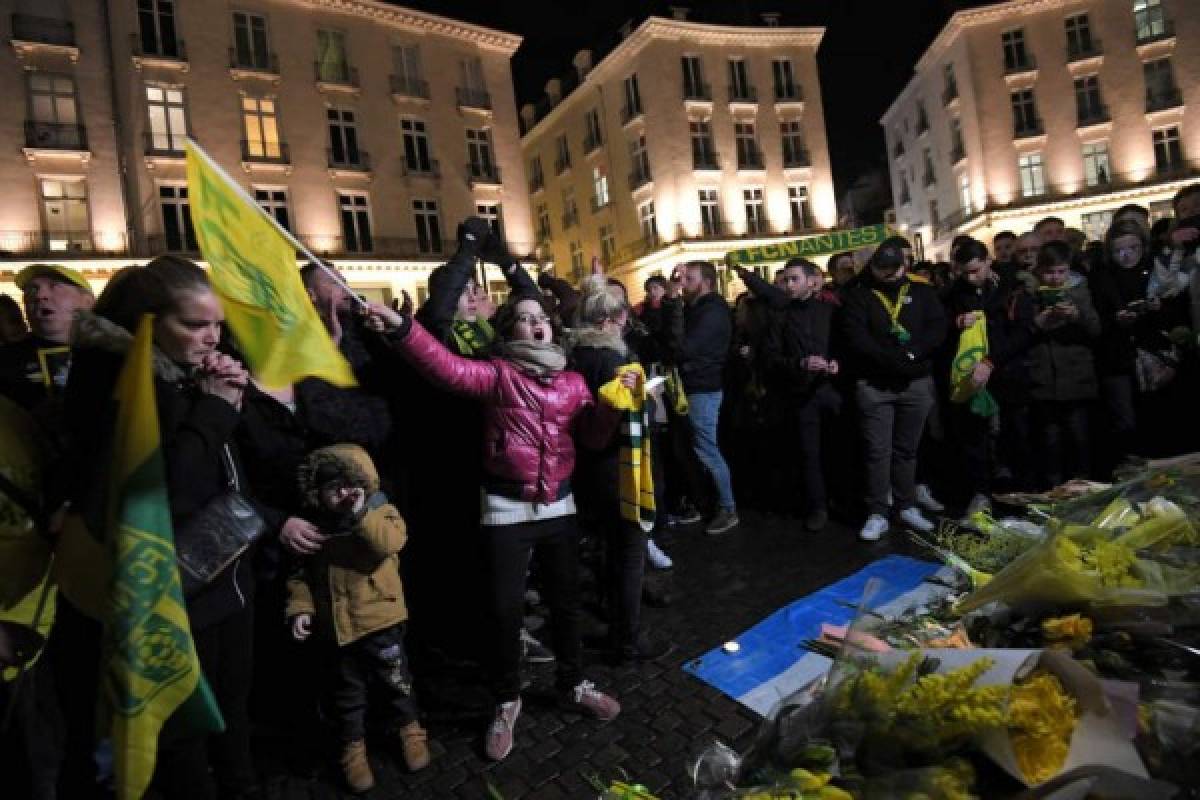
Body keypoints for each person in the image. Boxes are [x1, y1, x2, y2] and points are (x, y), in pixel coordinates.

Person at [364, 290, 624, 762]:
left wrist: (610, 409)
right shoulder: (498, 375)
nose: (536, 325)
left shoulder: (572, 381)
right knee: (504, 611)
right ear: (508, 332)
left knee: (566, 606)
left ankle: (572, 683)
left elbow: (591, 438)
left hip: (559, 507)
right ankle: (507, 699)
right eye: (524, 320)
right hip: (506, 509)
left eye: (541, 318)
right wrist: (402, 329)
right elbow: (446, 367)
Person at [62, 255, 258, 799]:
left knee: (232, 717)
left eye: (217, 324)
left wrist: (221, 395)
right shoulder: (121, 384)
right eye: (195, 325)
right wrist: (215, 410)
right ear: (148, 322)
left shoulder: (178, 373)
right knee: (183, 738)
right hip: (170, 594)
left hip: (224, 581)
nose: (211, 337)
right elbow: (168, 491)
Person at [287, 444, 430, 792]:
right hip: (337, 629)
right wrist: (301, 609)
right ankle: (352, 748)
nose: (343, 493)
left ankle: (410, 729)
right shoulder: (313, 527)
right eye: (332, 488)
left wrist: (361, 511)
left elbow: (389, 543)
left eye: (350, 485)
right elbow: (300, 575)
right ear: (317, 493)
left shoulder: (381, 512)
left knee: (396, 681)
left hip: (381, 621)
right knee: (346, 695)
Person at [567, 275, 672, 662]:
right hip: (618, 467)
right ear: (615, 319)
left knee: (608, 550)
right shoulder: (614, 361)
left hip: (589, 470)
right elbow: (627, 412)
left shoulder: (575, 354)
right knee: (629, 553)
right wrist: (647, 397)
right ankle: (627, 639)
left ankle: (615, 624)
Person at [838, 235, 947, 541]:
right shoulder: (860, 295)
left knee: (907, 449)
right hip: (875, 385)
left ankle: (907, 504)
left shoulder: (922, 291)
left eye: (895, 268)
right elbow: (856, 337)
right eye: (882, 269)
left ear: (904, 265)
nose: (889, 275)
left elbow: (937, 328)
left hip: (915, 382)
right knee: (877, 450)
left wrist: (912, 354)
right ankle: (877, 512)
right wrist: (892, 360)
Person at [743, 259, 839, 530]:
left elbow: (843, 345)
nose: (788, 284)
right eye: (785, 279)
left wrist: (835, 363)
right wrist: (800, 363)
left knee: (838, 447)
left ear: (812, 281)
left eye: (794, 279)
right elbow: (772, 357)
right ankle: (817, 506)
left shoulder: (829, 310)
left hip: (831, 390)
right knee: (809, 452)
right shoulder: (780, 316)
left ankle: (842, 499)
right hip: (799, 393)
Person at [944, 238, 1036, 512]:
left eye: (975, 270)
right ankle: (981, 492)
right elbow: (939, 331)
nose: (971, 278)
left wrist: (992, 360)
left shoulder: (1011, 288)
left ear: (987, 262)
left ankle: (1025, 492)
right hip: (974, 377)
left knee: (1017, 433)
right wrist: (956, 323)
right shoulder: (952, 295)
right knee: (975, 438)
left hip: (1008, 372)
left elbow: (1024, 331)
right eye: (965, 273)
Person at [1027, 242, 1101, 487]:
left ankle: (1083, 485)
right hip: (1044, 379)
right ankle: (1054, 488)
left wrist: (1076, 316)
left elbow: (1095, 328)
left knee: (1079, 436)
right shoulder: (1030, 292)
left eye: (1061, 272)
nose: (1056, 278)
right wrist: (1039, 321)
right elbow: (1023, 332)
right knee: (1050, 440)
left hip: (1076, 376)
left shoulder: (1081, 291)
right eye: (1050, 272)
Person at [674, 261, 738, 534]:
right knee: (692, 450)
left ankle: (728, 507)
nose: (682, 282)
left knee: (707, 450)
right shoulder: (696, 308)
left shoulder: (712, 311)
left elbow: (684, 348)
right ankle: (705, 503)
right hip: (692, 385)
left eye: (689, 278)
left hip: (703, 387)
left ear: (707, 282)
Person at [0, 264, 94, 411]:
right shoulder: (5, 361)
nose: (39, 296)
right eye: (32, 289)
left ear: (88, 302)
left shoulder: (119, 353)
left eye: (55, 286)